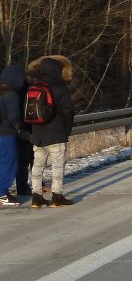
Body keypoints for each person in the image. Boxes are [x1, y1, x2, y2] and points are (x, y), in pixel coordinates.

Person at [28, 55, 75, 208]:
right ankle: (57, 196)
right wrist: (66, 130)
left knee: (37, 166)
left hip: (38, 135)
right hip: (56, 134)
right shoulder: (60, 87)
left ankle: (36, 197)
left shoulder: (34, 87)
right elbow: (68, 111)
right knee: (57, 166)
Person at [0, 65, 24, 205]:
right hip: (6, 134)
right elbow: (14, 116)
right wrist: (21, 130)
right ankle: (2, 194)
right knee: (8, 163)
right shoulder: (11, 94)